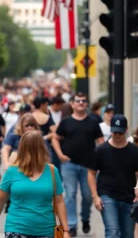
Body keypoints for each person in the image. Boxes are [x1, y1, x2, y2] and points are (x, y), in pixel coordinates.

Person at [0, 130, 70, 238]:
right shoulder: (12, 171)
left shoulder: (52, 171)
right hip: (16, 229)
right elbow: (0, 200)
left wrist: (66, 230)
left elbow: (59, 201)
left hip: (46, 230)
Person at [52, 92, 104, 237]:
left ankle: (85, 218)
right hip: (69, 165)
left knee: (88, 195)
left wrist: (100, 159)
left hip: (89, 166)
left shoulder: (93, 122)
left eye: (83, 101)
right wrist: (60, 155)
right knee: (70, 194)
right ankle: (72, 225)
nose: (81, 103)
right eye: (78, 101)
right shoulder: (66, 121)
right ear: (73, 104)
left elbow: (100, 142)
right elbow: (55, 139)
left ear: (87, 104)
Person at [88, 114, 138, 238]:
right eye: (114, 132)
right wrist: (95, 196)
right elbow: (91, 173)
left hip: (129, 197)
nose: (117, 135)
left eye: (120, 132)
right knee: (112, 231)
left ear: (126, 130)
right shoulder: (101, 150)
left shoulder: (135, 151)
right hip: (107, 196)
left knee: (128, 234)